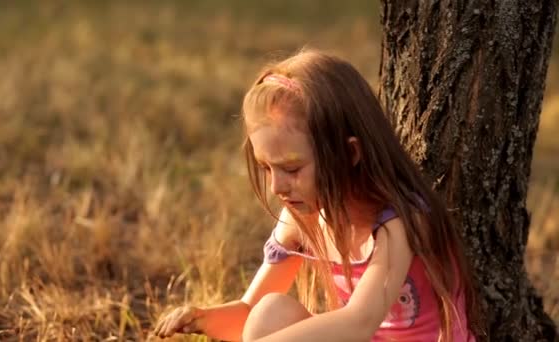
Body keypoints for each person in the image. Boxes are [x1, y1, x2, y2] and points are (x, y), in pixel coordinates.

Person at [153, 49, 483, 341]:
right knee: (270, 312)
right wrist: (202, 318)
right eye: (266, 168)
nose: (277, 187)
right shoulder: (303, 215)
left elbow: (358, 323)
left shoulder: (400, 222)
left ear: (349, 154)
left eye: (292, 169)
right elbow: (249, 314)